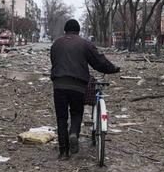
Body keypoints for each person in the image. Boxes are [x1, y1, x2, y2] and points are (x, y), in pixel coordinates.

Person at [50, 19, 120, 160]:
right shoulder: (85, 44)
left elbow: (54, 61)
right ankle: (74, 133)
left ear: (65, 30)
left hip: (59, 84)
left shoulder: (56, 44)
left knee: (61, 118)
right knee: (76, 112)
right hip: (77, 85)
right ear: (78, 30)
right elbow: (99, 62)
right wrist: (113, 69)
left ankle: (63, 152)